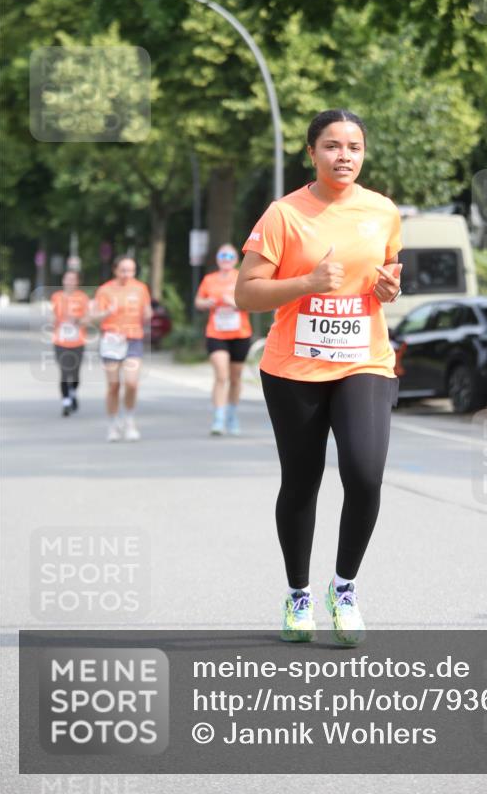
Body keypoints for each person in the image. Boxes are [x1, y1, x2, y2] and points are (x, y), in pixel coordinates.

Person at [235, 109, 402, 646]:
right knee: (302, 481)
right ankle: (298, 595)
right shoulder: (285, 215)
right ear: (312, 153)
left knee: (365, 474)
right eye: (332, 146)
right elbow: (247, 294)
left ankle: (345, 587)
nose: (344, 156)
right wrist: (306, 281)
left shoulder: (382, 211)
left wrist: (389, 290)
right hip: (294, 368)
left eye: (354, 147)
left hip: (364, 360)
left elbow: (391, 271)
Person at [92, 256, 152, 442]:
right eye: (124, 270)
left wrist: (148, 315)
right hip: (111, 339)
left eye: (131, 270)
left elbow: (147, 311)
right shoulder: (105, 290)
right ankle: (113, 424)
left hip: (133, 338)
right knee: (113, 385)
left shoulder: (140, 288)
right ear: (115, 270)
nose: (128, 274)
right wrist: (106, 312)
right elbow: (94, 317)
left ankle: (129, 420)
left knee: (132, 383)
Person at [195, 243, 252, 435]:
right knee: (221, 376)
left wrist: (235, 303)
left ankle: (232, 415)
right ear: (218, 259)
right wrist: (206, 303)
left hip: (240, 333)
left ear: (236, 260)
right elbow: (198, 301)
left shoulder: (241, 278)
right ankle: (218, 418)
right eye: (222, 256)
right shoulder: (209, 279)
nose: (226, 260)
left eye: (230, 257)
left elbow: (253, 302)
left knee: (235, 379)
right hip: (216, 333)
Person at [49, 270, 90, 416]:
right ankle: (66, 402)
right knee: (64, 371)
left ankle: (72, 391)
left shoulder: (83, 298)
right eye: (67, 279)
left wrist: (77, 320)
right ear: (63, 280)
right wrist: (54, 321)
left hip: (78, 340)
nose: (70, 282)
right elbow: (51, 316)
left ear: (77, 282)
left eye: (73, 279)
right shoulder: (56, 297)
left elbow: (88, 318)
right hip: (60, 340)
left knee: (75, 374)